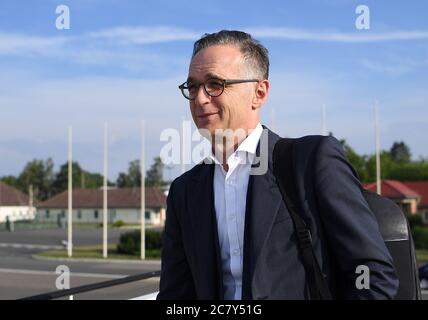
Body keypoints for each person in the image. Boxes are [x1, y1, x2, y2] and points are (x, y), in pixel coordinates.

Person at [157, 30, 398, 300]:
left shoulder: (310, 161)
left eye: (215, 84)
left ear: (259, 93)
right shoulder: (185, 191)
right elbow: (176, 295)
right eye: (193, 86)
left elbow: (370, 274)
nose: (200, 98)